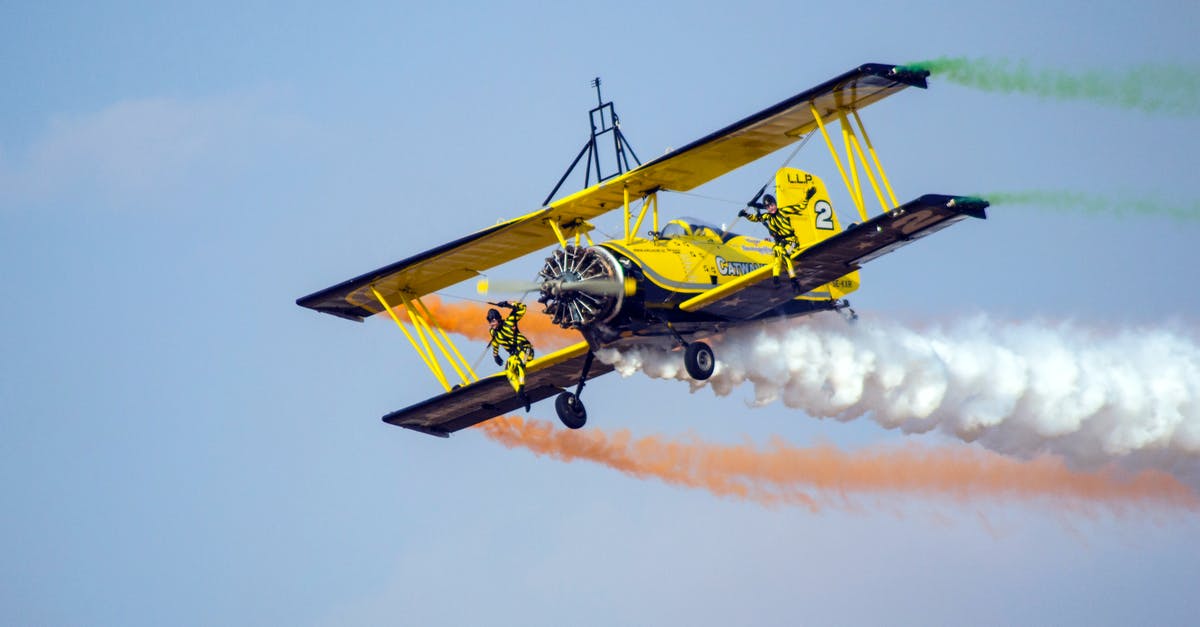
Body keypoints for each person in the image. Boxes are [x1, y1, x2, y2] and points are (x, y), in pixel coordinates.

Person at [738, 188, 817, 285]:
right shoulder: (767, 216)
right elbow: (755, 218)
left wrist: (807, 198)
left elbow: (800, 206)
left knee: (783, 254)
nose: (771, 208)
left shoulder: (784, 211)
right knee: (776, 253)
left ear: (775, 204)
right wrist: (745, 215)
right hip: (781, 243)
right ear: (766, 208)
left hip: (792, 241)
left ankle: (793, 278)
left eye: (772, 205)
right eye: (768, 207)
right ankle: (776, 278)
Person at [487, 300, 535, 411]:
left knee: (519, 362)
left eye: (493, 321)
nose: (491, 324)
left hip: (526, 349)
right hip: (514, 353)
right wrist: (495, 355)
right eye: (490, 322)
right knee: (509, 370)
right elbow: (495, 341)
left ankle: (521, 389)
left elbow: (523, 308)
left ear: (498, 319)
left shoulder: (510, 322)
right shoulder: (493, 332)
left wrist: (508, 304)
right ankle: (522, 395)